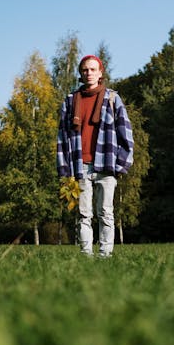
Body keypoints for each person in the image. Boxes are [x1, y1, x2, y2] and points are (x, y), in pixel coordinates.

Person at [57, 55, 134, 257]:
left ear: (100, 73)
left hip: (106, 164)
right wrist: (64, 169)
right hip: (79, 165)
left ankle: (105, 255)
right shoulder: (70, 101)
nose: (89, 73)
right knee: (83, 214)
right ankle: (86, 255)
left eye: (93, 69)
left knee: (106, 213)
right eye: (85, 70)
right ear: (81, 74)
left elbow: (126, 133)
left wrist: (121, 165)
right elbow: (62, 137)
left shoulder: (112, 98)